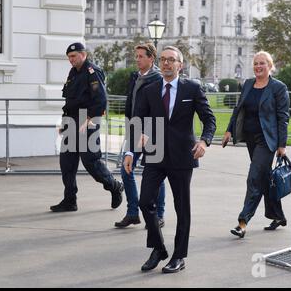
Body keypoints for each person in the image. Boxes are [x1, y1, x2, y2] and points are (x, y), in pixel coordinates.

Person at [123, 46, 216, 273]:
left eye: (171, 60)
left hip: (183, 156)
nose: (166, 63)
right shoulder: (150, 89)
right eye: (163, 59)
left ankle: (179, 256)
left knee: (182, 208)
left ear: (180, 65)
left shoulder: (192, 88)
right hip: (155, 153)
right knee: (145, 202)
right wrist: (130, 151)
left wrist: (204, 141)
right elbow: (137, 121)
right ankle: (158, 248)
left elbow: (209, 119)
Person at [222, 51, 290, 238]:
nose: (258, 66)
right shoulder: (248, 84)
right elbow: (239, 109)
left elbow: (283, 117)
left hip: (267, 141)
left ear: (270, 66)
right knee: (264, 177)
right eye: (256, 63)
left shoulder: (278, 87)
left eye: (262, 63)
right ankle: (278, 216)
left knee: (253, 178)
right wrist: (229, 130)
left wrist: (282, 144)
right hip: (251, 139)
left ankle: (242, 222)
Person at [51, 42, 124, 212]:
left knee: (91, 161)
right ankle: (70, 200)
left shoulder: (92, 71)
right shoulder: (73, 72)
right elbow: (69, 100)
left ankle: (114, 186)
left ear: (83, 54)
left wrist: (89, 118)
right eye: (69, 57)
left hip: (87, 120)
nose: (71, 60)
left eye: (74, 56)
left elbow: (101, 100)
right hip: (71, 121)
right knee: (67, 163)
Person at [115, 43, 166, 229]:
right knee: (125, 170)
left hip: (154, 131)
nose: (137, 59)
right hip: (134, 130)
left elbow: (160, 109)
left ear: (151, 58)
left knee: (156, 174)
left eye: (140, 56)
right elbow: (131, 103)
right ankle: (132, 212)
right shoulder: (135, 77)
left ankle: (159, 214)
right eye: (135, 56)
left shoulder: (159, 79)